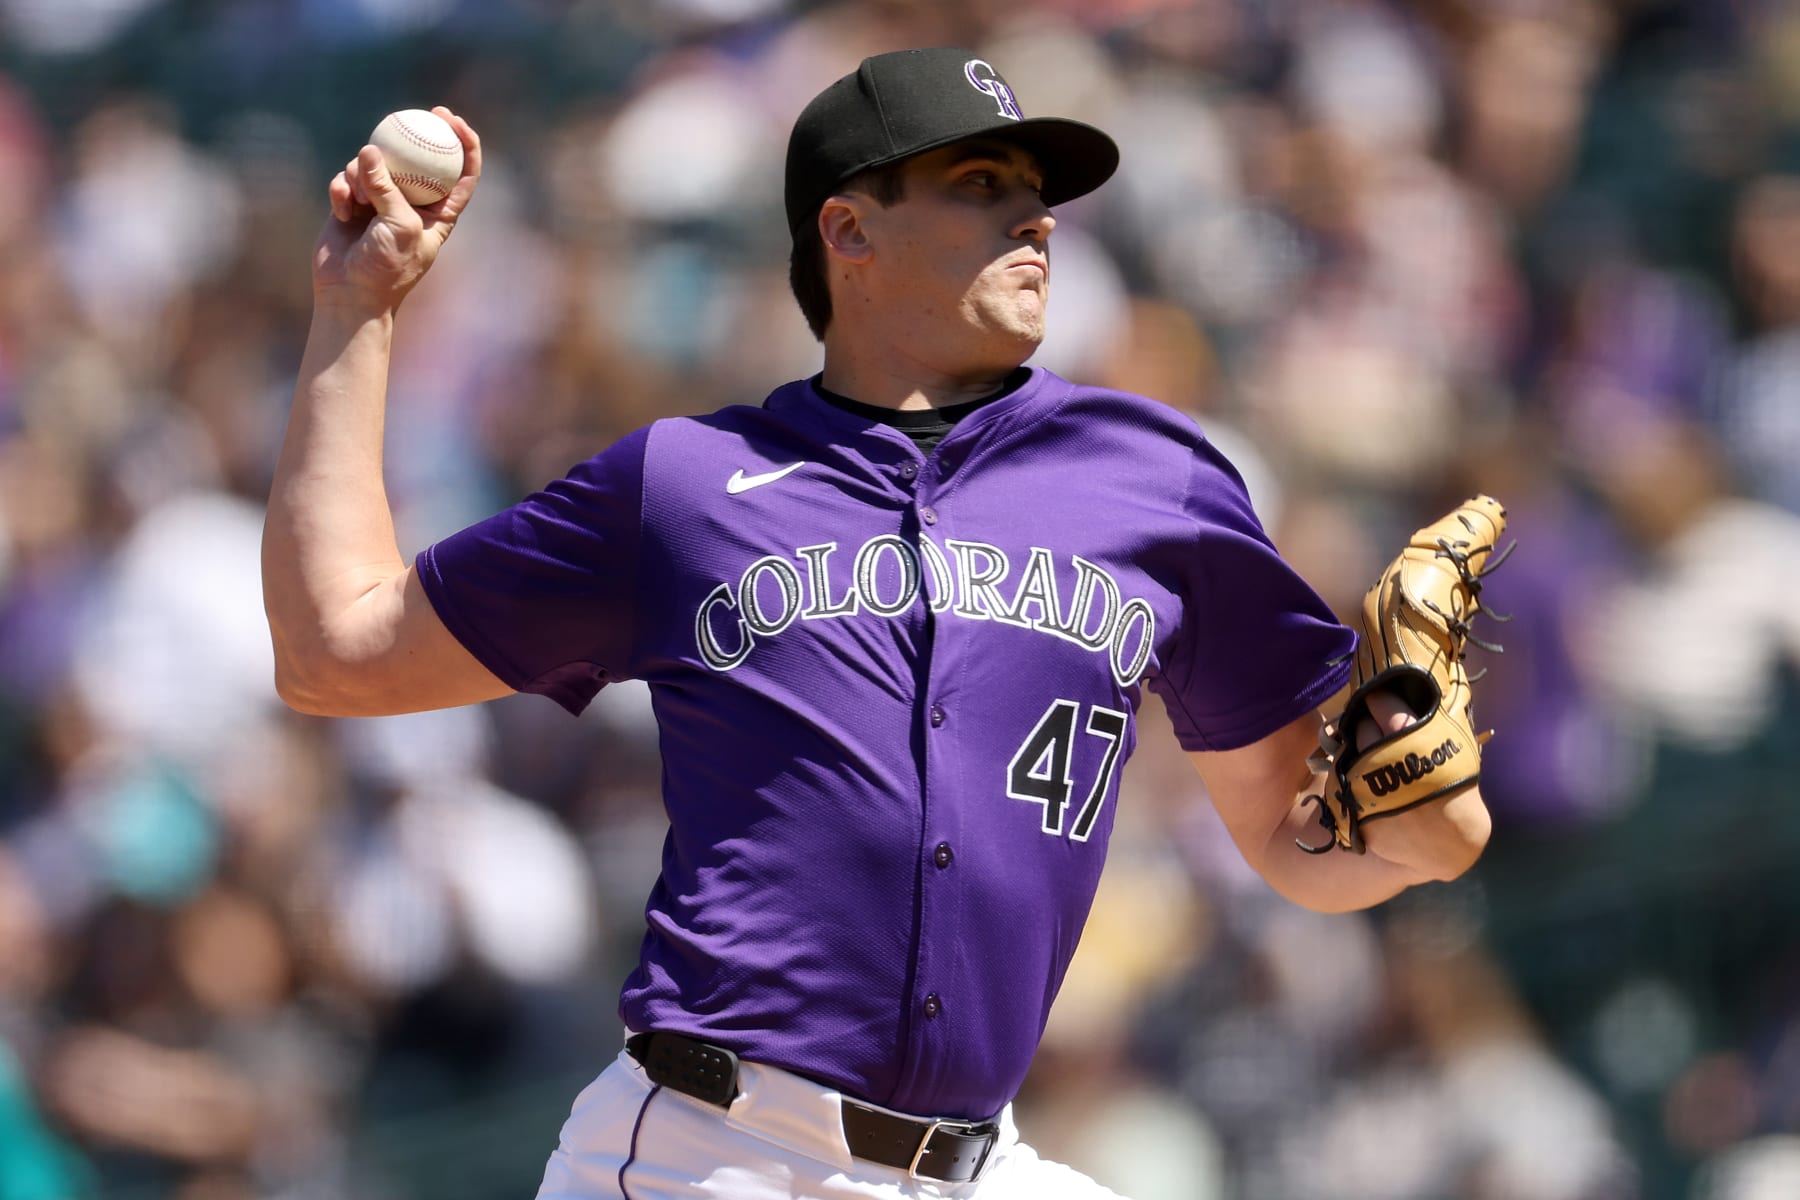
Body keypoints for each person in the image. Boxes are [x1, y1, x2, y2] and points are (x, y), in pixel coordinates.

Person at [262, 47, 1493, 1200]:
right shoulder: (685, 487)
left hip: (978, 1163)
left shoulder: (1154, 478)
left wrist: (1431, 821)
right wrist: (355, 311)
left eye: (1038, 189)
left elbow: (1294, 839)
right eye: (980, 182)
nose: (1037, 216)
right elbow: (335, 656)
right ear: (847, 229)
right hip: (717, 1152)